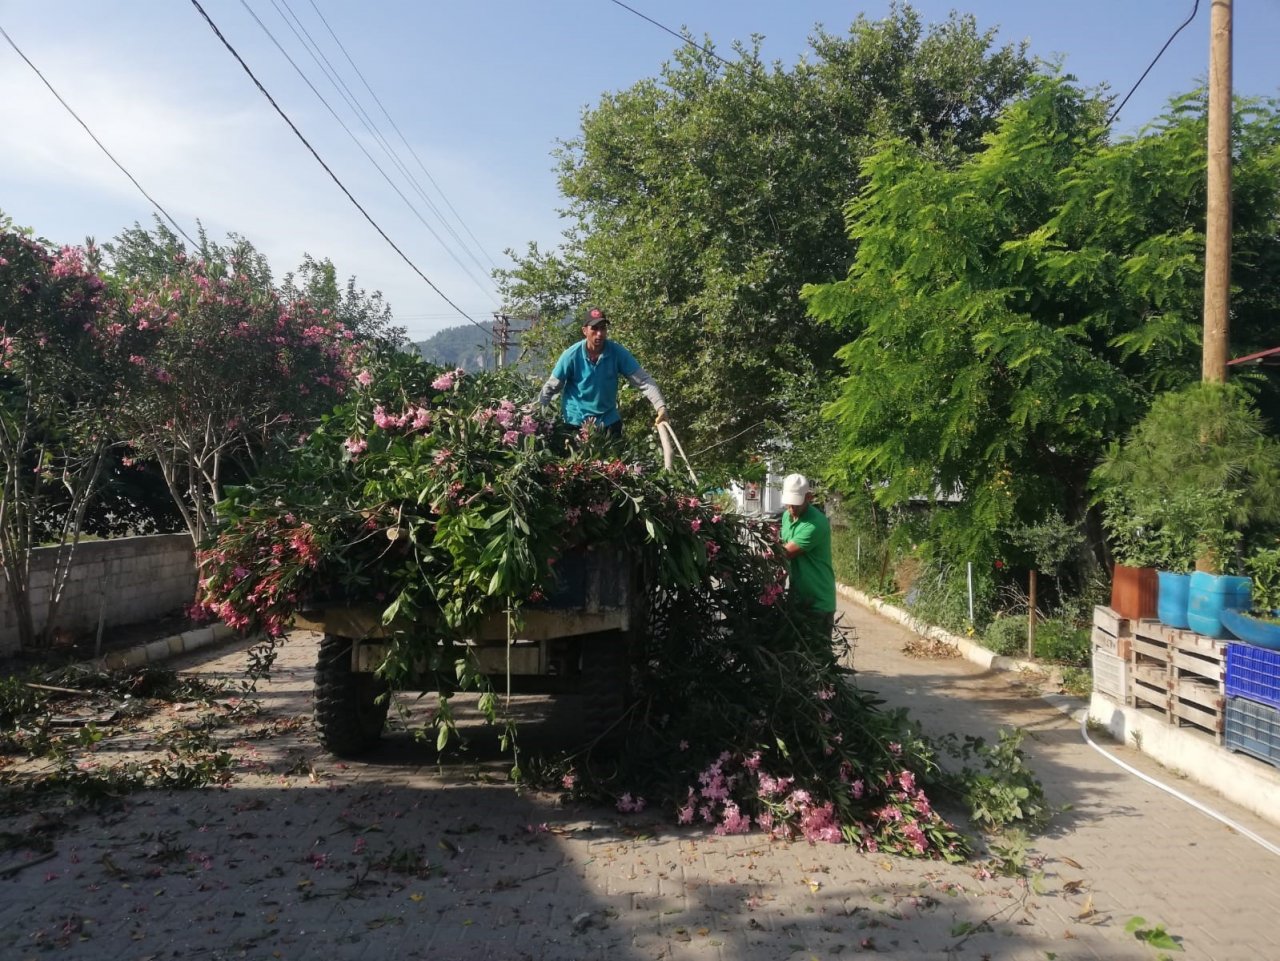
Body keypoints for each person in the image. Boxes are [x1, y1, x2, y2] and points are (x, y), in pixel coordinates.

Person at [536, 306, 667, 438]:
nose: (599, 333)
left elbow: (643, 380)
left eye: (603, 328)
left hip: (608, 421)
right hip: (576, 423)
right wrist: (537, 416)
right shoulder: (571, 355)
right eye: (594, 328)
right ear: (584, 331)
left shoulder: (617, 353)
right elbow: (552, 386)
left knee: (614, 458)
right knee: (576, 459)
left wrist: (660, 407)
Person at [780, 473, 836, 639]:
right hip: (797, 597)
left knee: (818, 657)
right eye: (789, 503)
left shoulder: (816, 523)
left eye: (796, 503)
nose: (791, 508)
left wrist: (754, 557)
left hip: (817, 601)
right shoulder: (786, 517)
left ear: (809, 497)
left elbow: (784, 553)